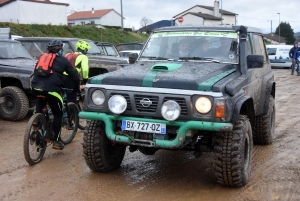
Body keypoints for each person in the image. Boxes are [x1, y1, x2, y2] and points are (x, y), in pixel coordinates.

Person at [31, 40, 80, 150]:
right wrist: (76, 88)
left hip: (35, 86)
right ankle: (56, 141)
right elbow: (75, 76)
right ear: (59, 49)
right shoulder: (63, 60)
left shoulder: (42, 57)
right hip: (51, 89)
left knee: (40, 95)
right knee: (58, 113)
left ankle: (36, 118)